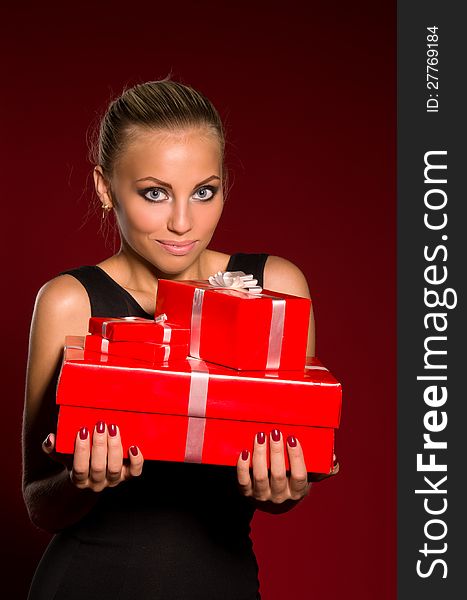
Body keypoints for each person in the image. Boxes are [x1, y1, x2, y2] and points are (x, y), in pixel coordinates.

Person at [22, 79, 335, 599]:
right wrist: (85, 481)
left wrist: (284, 487)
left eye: (204, 192)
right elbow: (38, 501)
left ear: (224, 184)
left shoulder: (276, 289)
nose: (183, 222)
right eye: (154, 193)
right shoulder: (69, 301)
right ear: (104, 188)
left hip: (220, 582)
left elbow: (283, 488)